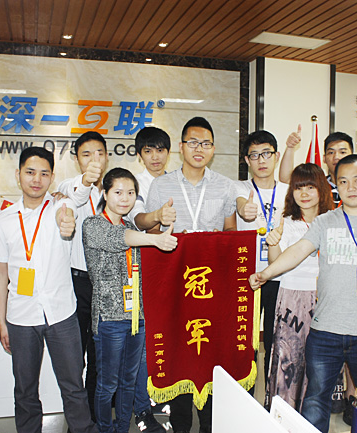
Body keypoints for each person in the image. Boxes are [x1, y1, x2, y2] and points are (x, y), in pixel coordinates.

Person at [249, 154, 357, 433]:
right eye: (344, 181)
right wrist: (266, 273)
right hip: (325, 331)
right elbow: (298, 251)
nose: (351, 187)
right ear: (336, 185)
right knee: (315, 401)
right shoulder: (325, 222)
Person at [279, 119, 357, 421]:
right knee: (318, 392)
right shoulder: (324, 184)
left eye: (343, 151)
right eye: (331, 152)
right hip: (326, 297)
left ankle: (353, 405)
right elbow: (288, 179)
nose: (350, 186)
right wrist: (290, 148)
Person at [0, 146, 96, 433]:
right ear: (18, 174)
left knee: (73, 386)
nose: (36, 179)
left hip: (61, 313)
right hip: (21, 316)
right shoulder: (4, 220)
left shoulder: (61, 207)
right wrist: (2, 322)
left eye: (44, 173)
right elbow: (0, 272)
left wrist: (67, 222)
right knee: (25, 389)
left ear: (52, 177)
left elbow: (72, 206)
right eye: (30, 172)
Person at [144, 116, 237, 433]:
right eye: (193, 142)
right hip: (174, 287)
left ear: (213, 149)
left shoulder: (225, 185)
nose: (199, 149)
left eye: (206, 143)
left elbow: (229, 233)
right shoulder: (161, 185)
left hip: (210, 288)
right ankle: (180, 425)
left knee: (209, 353)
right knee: (178, 354)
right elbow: (150, 232)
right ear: (181, 147)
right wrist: (162, 224)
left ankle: (210, 424)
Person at [82, 168, 178, 433]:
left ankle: (122, 427)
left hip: (137, 317)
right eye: (118, 192)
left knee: (129, 381)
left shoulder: (132, 226)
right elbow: (119, 239)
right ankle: (105, 429)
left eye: (131, 193)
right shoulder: (93, 225)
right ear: (105, 194)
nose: (125, 198)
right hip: (109, 319)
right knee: (107, 385)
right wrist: (155, 239)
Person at [263, 163, 333, 411]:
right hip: (292, 297)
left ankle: (314, 411)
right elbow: (275, 264)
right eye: (298, 187)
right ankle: (284, 410)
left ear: (321, 189)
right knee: (289, 359)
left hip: (326, 298)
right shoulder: (286, 221)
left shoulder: (333, 221)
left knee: (321, 359)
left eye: (310, 187)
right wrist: (273, 242)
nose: (304, 193)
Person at [57, 131, 107, 420]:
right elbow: (76, 195)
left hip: (107, 284)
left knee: (101, 355)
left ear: (107, 156)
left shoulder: (114, 190)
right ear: (77, 159)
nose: (94, 159)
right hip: (77, 283)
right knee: (75, 356)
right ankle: (76, 420)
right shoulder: (68, 187)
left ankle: (96, 416)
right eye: (86, 154)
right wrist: (86, 181)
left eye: (99, 153)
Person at [128, 126, 174, 432]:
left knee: (167, 335)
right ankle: (142, 407)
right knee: (144, 340)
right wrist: (158, 220)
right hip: (144, 269)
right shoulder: (135, 184)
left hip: (173, 268)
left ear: (169, 152)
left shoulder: (175, 181)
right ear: (139, 154)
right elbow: (139, 222)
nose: (155, 157)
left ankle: (161, 395)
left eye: (160, 150)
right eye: (148, 151)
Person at [234, 130, 288, 393]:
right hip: (249, 276)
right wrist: (244, 209)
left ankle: (273, 396)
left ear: (276, 156)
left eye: (266, 153)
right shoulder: (240, 188)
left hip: (281, 275)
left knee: (277, 339)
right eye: (254, 155)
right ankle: (244, 395)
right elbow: (240, 205)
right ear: (247, 160)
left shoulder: (289, 192)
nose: (261, 160)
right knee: (246, 340)